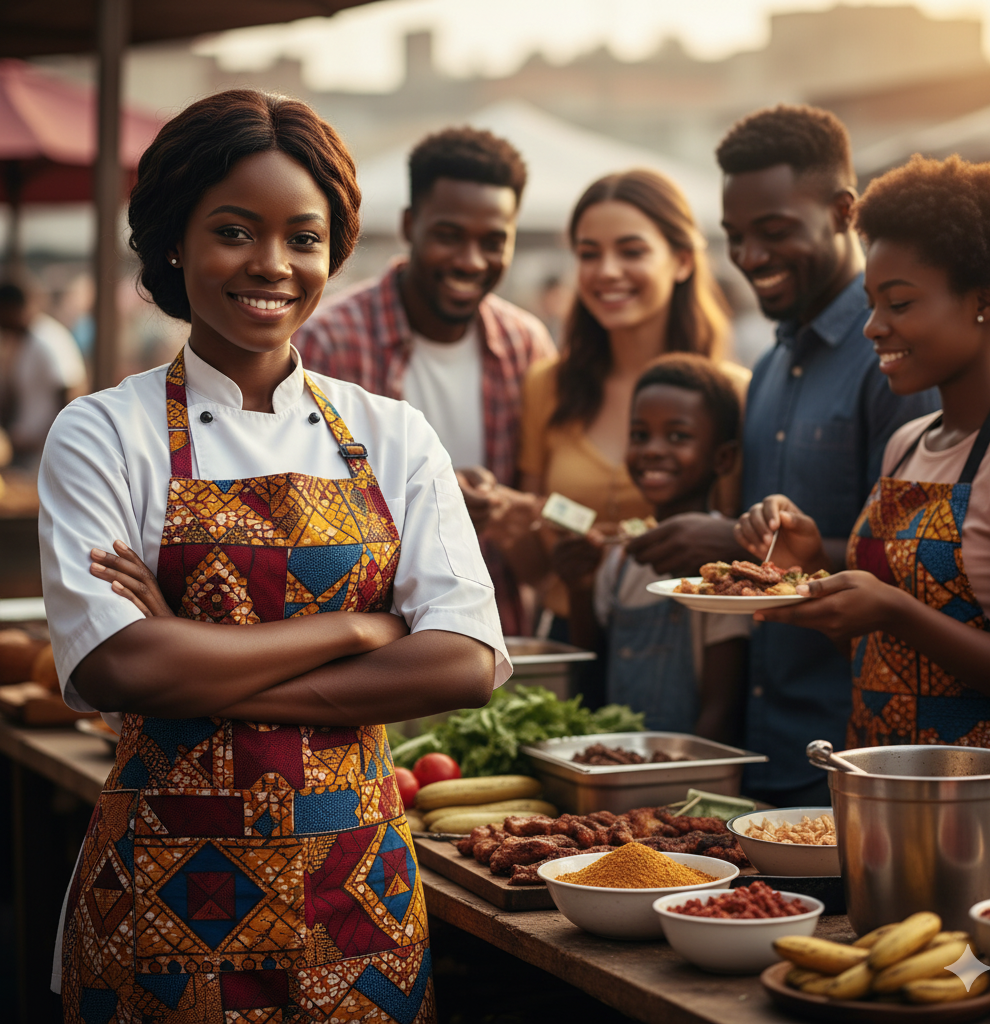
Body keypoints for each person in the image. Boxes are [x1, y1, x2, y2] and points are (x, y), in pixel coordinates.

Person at [40, 90, 509, 1022]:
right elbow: (119, 662)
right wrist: (360, 627)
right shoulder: (101, 433)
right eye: (234, 231)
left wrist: (195, 664)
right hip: (158, 902)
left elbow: (467, 660)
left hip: (358, 903)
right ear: (174, 240)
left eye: (303, 236)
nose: (272, 264)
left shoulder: (391, 433)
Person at [625, 106, 939, 805]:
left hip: (857, 749)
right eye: (735, 237)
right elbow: (767, 542)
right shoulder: (767, 366)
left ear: (843, 212)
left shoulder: (894, 363)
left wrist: (733, 549)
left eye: (773, 232)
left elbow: (918, 571)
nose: (750, 256)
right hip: (759, 744)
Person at [737, 154, 990, 751]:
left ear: (985, 300)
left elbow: (898, 621)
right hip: (882, 793)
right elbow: (872, 652)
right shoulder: (907, 443)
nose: (872, 327)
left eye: (899, 303)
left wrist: (896, 611)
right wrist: (809, 562)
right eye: (871, 303)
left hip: (988, 814)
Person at [294, 127, 555, 635]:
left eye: (493, 241)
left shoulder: (527, 347)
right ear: (410, 226)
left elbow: (538, 540)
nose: (470, 260)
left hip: (490, 639)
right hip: (364, 642)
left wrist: (509, 513)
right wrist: (425, 498)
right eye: (449, 235)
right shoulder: (326, 343)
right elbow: (297, 517)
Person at [517, 169, 746, 644]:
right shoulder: (548, 385)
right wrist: (510, 519)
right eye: (589, 253)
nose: (606, 271)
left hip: (692, 642)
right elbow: (534, 565)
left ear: (682, 260)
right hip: (571, 636)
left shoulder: (733, 393)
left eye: (632, 250)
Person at [554, 353, 749, 740]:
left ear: (723, 458)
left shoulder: (722, 571)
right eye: (640, 435)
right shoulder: (621, 558)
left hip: (688, 770)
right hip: (622, 761)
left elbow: (722, 706)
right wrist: (579, 587)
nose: (653, 450)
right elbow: (592, 669)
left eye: (678, 436)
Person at [0, 281, 87, 473]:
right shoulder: (26, 343)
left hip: (46, 456)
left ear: (11, 309)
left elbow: (72, 394)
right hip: (27, 456)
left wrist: (44, 439)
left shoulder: (48, 340)